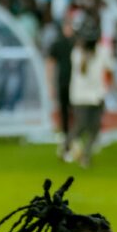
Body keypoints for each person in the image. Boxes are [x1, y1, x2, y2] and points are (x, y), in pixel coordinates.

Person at [66, 27, 114, 167]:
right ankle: (66, 146)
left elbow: (109, 68)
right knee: (81, 125)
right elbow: (82, 69)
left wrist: (109, 85)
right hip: (80, 96)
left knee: (95, 128)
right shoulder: (77, 53)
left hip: (97, 95)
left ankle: (86, 155)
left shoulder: (103, 51)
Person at [47, 18, 76, 156]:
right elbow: (50, 63)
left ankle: (74, 134)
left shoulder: (77, 43)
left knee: (76, 110)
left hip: (76, 83)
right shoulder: (58, 44)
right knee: (64, 109)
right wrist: (50, 84)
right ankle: (66, 134)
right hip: (63, 81)